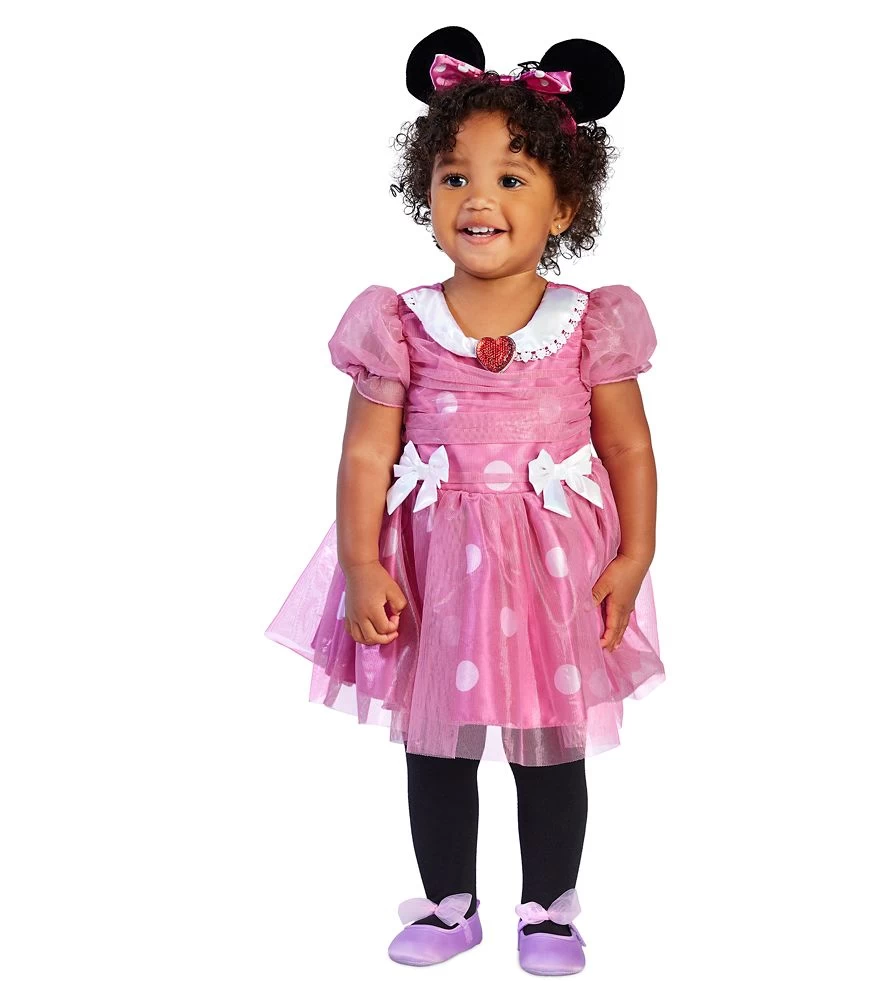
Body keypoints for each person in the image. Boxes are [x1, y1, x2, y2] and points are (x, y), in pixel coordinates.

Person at [264, 25, 665, 976]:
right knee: (436, 739)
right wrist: (361, 562)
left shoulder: (588, 324)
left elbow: (629, 446)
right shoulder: (400, 323)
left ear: (564, 205)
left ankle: (549, 910)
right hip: (434, 567)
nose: (478, 198)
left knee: (548, 740)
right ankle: (450, 904)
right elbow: (367, 453)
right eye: (455, 177)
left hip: (553, 568)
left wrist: (635, 554)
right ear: (427, 193)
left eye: (511, 179)